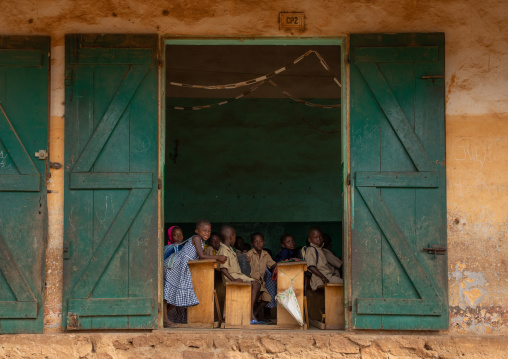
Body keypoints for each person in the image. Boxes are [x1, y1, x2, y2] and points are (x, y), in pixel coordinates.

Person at [164, 219, 226, 327]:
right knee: (168, 294)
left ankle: (163, 317)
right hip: (175, 266)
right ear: (197, 231)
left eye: (209, 231)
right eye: (204, 230)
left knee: (177, 295)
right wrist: (218, 256)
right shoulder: (196, 238)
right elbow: (202, 256)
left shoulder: (202, 241)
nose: (207, 233)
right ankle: (165, 319)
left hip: (181, 267)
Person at [217, 225, 262, 324]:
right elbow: (223, 269)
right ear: (231, 237)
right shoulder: (223, 250)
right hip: (232, 277)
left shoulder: (229, 249)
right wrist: (233, 280)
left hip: (237, 275)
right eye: (235, 236)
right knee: (255, 284)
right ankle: (249, 313)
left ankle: (248, 312)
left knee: (257, 284)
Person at [245, 232, 277, 319]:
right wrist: (245, 260)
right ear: (252, 243)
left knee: (268, 298)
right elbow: (242, 265)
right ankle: (250, 312)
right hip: (250, 281)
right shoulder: (249, 254)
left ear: (264, 242)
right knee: (254, 298)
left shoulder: (265, 254)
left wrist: (277, 269)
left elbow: (273, 264)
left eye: (261, 241)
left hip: (260, 282)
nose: (258, 244)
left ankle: (254, 313)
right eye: (256, 242)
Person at [163, 225, 186, 325]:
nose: (179, 237)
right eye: (175, 235)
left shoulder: (181, 247)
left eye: (180, 235)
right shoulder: (169, 248)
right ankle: (165, 319)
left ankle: (163, 316)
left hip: (176, 275)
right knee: (165, 298)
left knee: (174, 298)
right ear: (170, 237)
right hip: (168, 275)